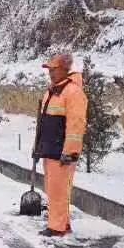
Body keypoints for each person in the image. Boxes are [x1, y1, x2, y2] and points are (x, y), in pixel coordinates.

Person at [34, 53, 87, 237]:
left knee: (59, 190)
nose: (50, 73)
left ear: (65, 69)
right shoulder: (52, 90)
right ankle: (61, 224)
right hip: (49, 148)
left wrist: (70, 151)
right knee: (52, 189)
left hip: (62, 151)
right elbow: (44, 122)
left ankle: (57, 227)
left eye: (54, 69)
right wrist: (39, 146)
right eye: (49, 69)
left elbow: (76, 124)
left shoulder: (73, 92)